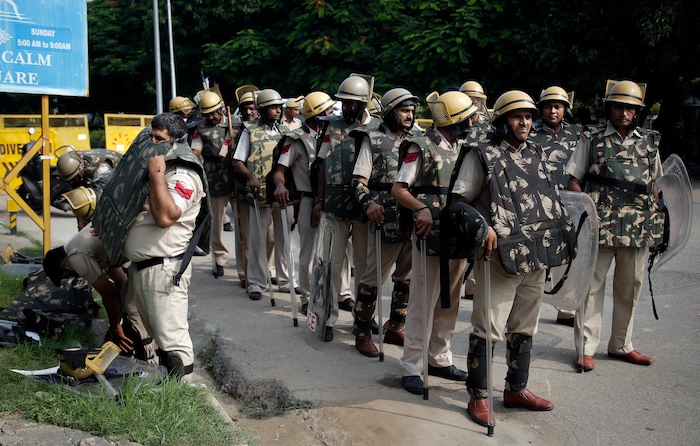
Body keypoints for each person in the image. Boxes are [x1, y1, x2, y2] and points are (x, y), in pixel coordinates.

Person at [451, 90, 577, 427]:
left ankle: (515, 389)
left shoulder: (536, 152)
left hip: (536, 253)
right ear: (502, 120)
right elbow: (458, 202)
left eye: (527, 116)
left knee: (525, 327)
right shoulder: (482, 155)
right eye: (516, 116)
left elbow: (549, 196)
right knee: (488, 328)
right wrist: (483, 229)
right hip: (498, 255)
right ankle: (478, 396)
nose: (524, 122)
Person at [566, 80, 664, 372]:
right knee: (592, 287)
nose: (624, 113)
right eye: (619, 107)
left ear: (637, 112)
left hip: (639, 227)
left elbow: (655, 185)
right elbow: (573, 178)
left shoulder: (649, 142)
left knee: (629, 288)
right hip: (601, 226)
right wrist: (582, 213)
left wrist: (659, 226)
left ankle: (622, 345)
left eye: (630, 108)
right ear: (610, 108)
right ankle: (585, 349)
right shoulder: (591, 139)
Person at [391, 90, 477, 393]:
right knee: (422, 303)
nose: (473, 122)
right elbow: (399, 189)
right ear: (452, 119)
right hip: (430, 237)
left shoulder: (468, 149)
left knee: (450, 302)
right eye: (467, 118)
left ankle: (439, 357)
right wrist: (422, 208)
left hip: (458, 238)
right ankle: (412, 365)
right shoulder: (421, 147)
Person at [120, 112, 208, 379]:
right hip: (146, 268)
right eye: (152, 136)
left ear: (176, 141)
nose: (153, 142)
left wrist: (157, 175)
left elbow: (166, 216)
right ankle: (170, 391)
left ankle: (187, 397)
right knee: (161, 340)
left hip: (165, 269)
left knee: (173, 342)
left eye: (160, 138)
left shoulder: (182, 173)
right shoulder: (164, 165)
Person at [350, 88, 420, 357]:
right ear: (390, 112)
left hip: (411, 218)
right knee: (372, 278)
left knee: (406, 277)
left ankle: (395, 326)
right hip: (384, 218)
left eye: (412, 111)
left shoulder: (417, 140)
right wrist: (368, 204)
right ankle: (363, 331)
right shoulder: (373, 139)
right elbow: (359, 181)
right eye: (404, 111)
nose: (409, 116)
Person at [313, 74, 377, 341]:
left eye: (353, 104)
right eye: (345, 103)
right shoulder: (332, 127)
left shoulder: (377, 128)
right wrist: (319, 200)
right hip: (335, 206)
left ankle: (363, 320)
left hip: (364, 207)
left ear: (364, 104)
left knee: (364, 267)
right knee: (331, 263)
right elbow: (321, 164)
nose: (347, 109)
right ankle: (327, 317)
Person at [43, 224, 156, 363]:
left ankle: (148, 362)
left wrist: (116, 328)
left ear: (62, 265)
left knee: (133, 310)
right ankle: (133, 352)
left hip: (149, 252)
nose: (76, 277)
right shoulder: (84, 246)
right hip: (145, 247)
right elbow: (121, 283)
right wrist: (116, 324)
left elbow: (109, 294)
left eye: (67, 276)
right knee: (128, 302)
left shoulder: (76, 257)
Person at [272, 91, 335, 313]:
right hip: (308, 202)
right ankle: (307, 297)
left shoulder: (335, 135)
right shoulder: (295, 139)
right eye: (328, 111)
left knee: (337, 254)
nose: (332, 114)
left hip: (334, 201)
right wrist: (280, 185)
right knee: (308, 253)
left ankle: (336, 296)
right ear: (317, 114)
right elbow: (280, 170)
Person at [529, 85, 584, 326]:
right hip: (537, 207)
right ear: (541, 109)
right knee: (537, 261)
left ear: (565, 109)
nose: (553, 111)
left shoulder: (577, 134)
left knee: (568, 258)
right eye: (549, 106)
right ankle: (529, 312)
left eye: (558, 106)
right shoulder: (529, 134)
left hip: (569, 205)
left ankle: (565, 310)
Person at [232, 88, 293, 300]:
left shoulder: (286, 131)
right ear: (263, 110)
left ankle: (285, 280)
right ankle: (256, 282)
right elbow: (238, 161)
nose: (278, 111)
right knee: (257, 238)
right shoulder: (250, 130)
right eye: (273, 108)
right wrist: (251, 177)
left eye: (279, 107)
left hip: (283, 193)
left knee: (284, 239)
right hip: (260, 192)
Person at [190, 90, 231, 278]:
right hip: (214, 178)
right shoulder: (200, 130)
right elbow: (195, 151)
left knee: (243, 223)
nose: (211, 117)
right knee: (217, 221)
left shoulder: (234, 124)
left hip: (235, 175)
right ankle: (219, 259)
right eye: (207, 114)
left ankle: (245, 262)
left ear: (221, 110)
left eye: (214, 113)